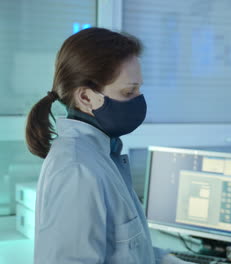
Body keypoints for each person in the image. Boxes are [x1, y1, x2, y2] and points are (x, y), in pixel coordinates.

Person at [25, 27, 185, 264]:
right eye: (129, 91)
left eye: (139, 88)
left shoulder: (104, 155)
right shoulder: (78, 169)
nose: (139, 99)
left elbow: (132, 252)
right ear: (86, 98)